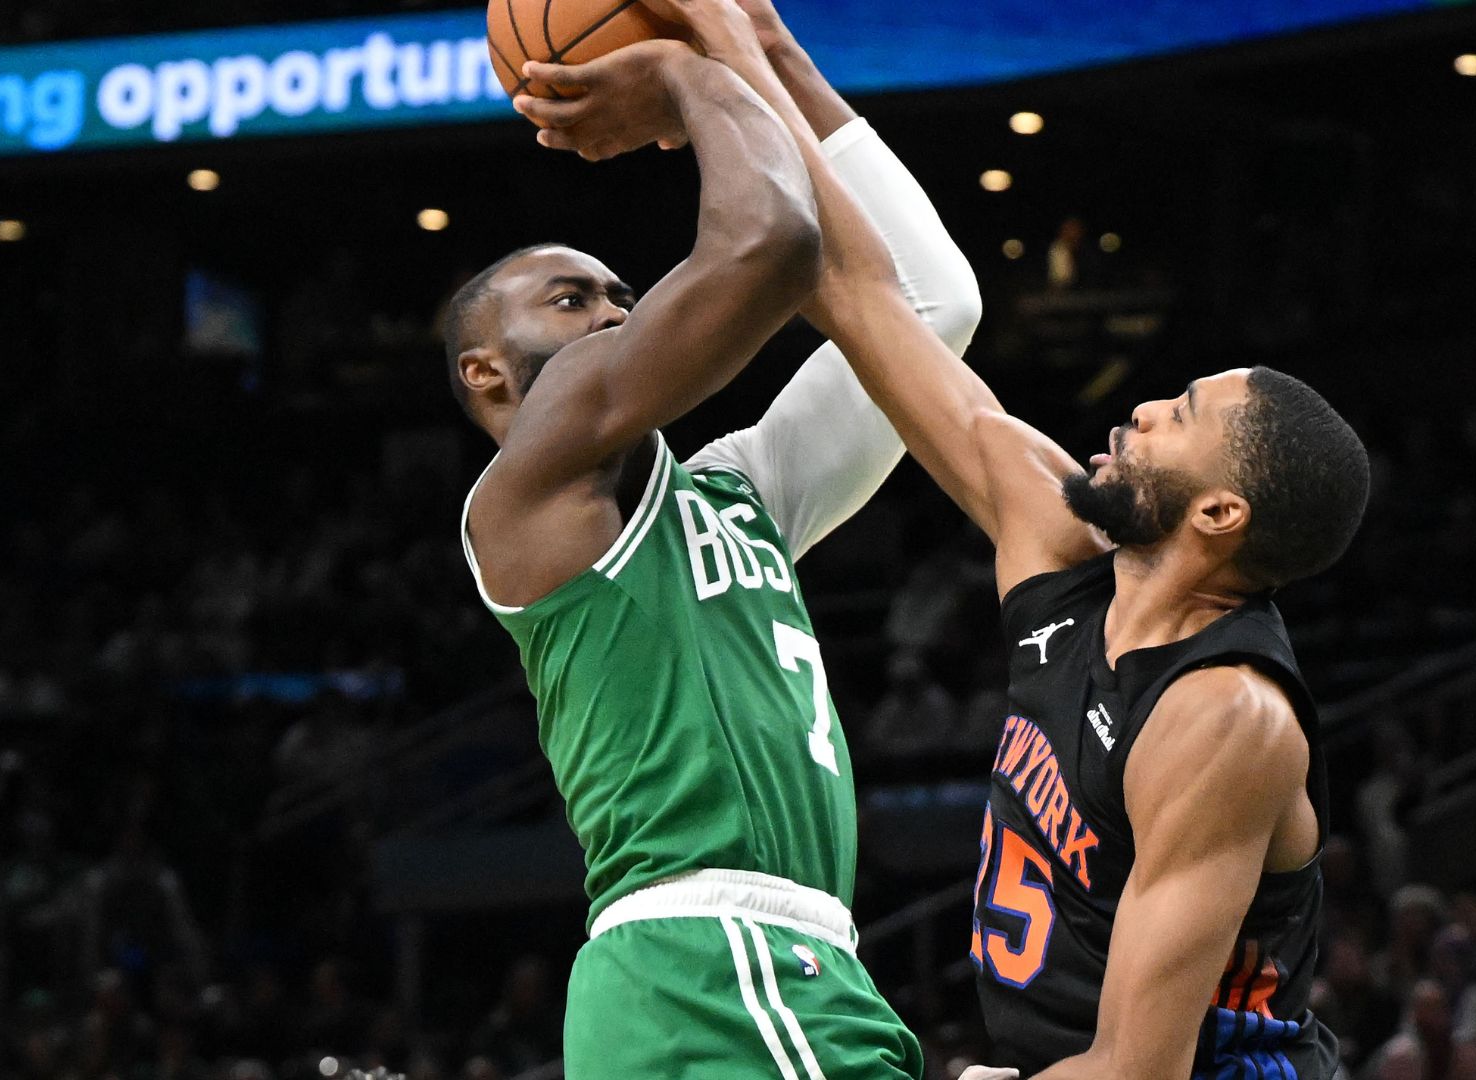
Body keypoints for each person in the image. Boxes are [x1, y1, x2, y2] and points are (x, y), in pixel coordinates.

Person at [558, 19, 1370, 1073]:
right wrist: (746, 43)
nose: (1142, 410)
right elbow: (856, 293)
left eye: (1181, 414)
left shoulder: (1225, 717)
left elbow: (1138, 1070)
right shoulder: (1057, 542)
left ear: (1221, 516)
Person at [450, 0, 981, 1072]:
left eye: (620, 292)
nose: (610, 312)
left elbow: (932, 308)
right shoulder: (527, 489)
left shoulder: (740, 488)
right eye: (568, 299)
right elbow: (770, 241)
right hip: (708, 959)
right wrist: (686, 72)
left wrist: (774, 49)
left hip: (784, 960)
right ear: (487, 373)